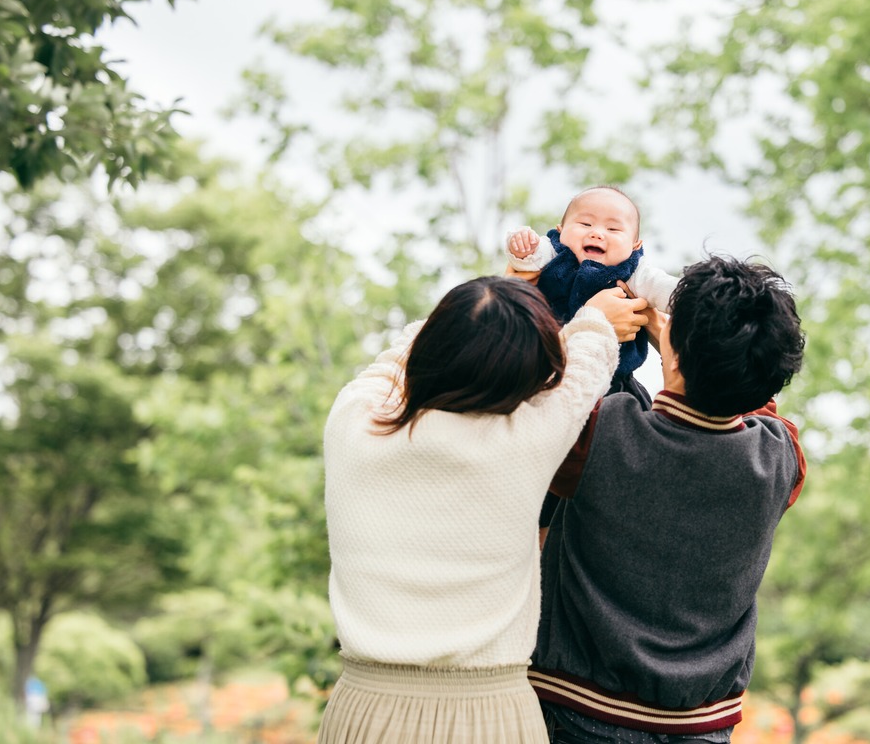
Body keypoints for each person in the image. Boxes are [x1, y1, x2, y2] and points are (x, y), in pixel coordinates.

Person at [318, 275, 648, 744]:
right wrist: (593, 319)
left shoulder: (352, 420)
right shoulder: (525, 440)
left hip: (365, 710)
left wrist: (484, 306)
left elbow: (396, 360)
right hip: (490, 717)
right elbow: (583, 373)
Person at [529, 256, 808, 743]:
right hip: (700, 724)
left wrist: (589, 327)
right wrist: (681, 345)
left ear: (673, 353)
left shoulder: (603, 432)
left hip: (575, 710)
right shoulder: (779, 458)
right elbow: (755, 392)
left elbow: (546, 407)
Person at [506, 185, 679, 404]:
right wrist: (521, 245)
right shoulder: (554, 254)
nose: (596, 233)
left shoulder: (633, 271)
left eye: (613, 229)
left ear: (635, 246)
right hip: (548, 370)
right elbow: (527, 257)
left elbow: (663, 288)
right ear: (561, 231)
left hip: (614, 383)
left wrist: (695, 298)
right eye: (585, 224)